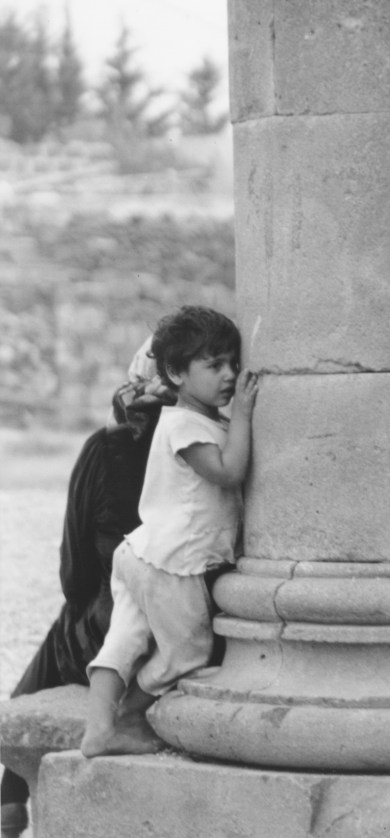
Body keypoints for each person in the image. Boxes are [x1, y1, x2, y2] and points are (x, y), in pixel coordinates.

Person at [1, 346, 178, 838]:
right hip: (189, 614)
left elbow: (73, 572)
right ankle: (9, 799)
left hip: (110, 629)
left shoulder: (104, 449)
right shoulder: (206, 439)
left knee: (75, 616)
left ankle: (10, 797)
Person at [80, 305, 258, 757]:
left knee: (123, 639)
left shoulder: (197, 420)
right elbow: (229, 471)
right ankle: (129, 716)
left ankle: (97, 727)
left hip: (141, 552)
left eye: (233, 363)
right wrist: (245, 414)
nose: (230, 375)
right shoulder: (183, 425)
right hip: (171, 564)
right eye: (214, 365)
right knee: (188, 654)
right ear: (176, 374)